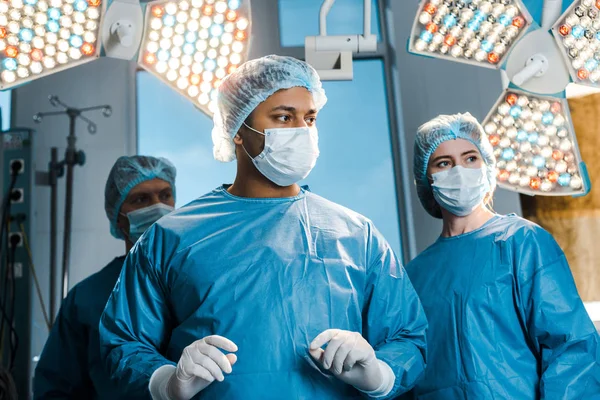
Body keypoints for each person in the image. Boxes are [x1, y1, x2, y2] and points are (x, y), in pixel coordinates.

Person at [99, 55, 427, 400]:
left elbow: (407, 336)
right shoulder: (171, 237)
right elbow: (123, 342)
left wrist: (378, 374)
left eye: (310, 118)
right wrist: (166, 382)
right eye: (284, 117)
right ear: (238, 129)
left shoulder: (356, 235)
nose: (302, 131)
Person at [402, 112, 600, 398]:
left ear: (486, 165)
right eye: (444, 163)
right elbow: (409, 371)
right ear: (426, 178)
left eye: (470, 158)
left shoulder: (522, 242)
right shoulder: (415, 276)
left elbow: (571, 350)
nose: (459, 170)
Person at [33, 155, 177, 399]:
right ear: (119, 218)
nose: (157, 207)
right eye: (141, 199)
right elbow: (56, 387)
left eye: (165, 195)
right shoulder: (87, 299)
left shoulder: (199, 281)